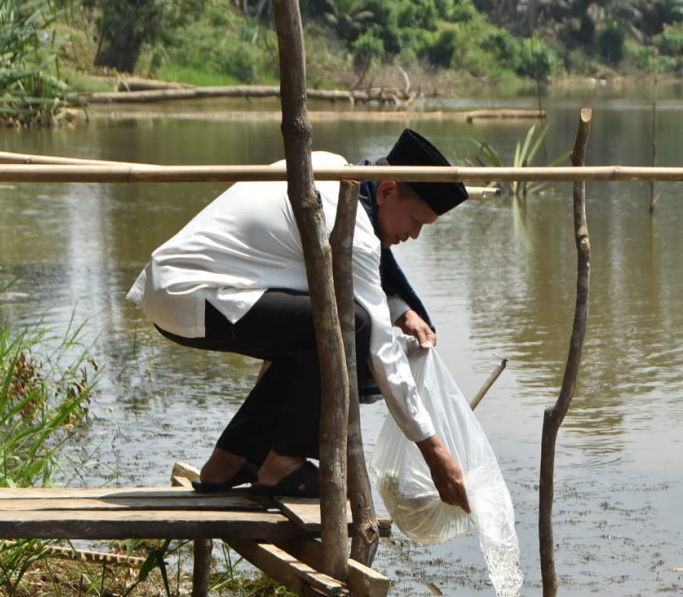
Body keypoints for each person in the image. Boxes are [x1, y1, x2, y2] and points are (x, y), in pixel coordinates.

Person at [127, 128, 471, 511]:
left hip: (180, 290)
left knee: (314, 333)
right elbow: (379, 347)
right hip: (196, 295)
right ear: (387, 191)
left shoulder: (333, 167)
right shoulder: (353, 223)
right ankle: (282, 465)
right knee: (350, 327)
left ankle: (227, 463)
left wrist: (400, 309)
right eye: (416, 220)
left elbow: (346, 270)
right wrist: (433, 449)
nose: (415, 235)